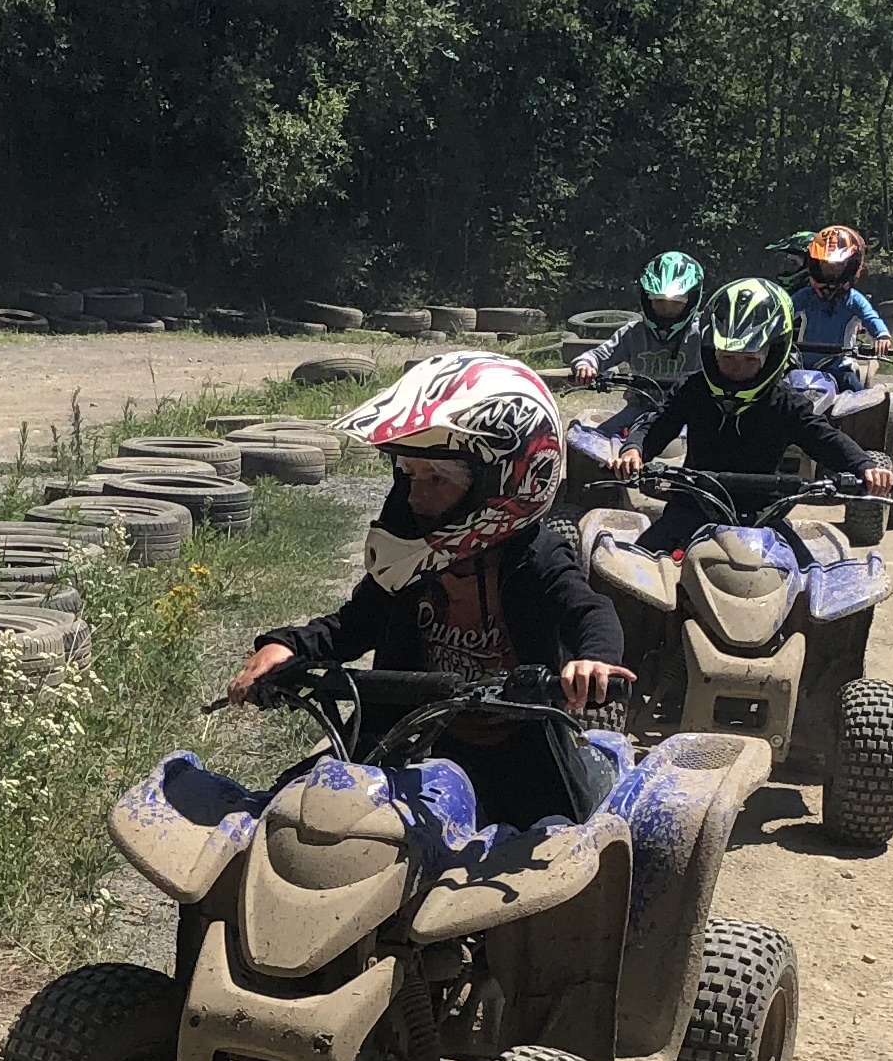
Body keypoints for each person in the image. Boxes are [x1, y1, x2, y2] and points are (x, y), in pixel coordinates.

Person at [232, 352, 632, 832]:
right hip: (408, 740)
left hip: (520, 757)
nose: (415, 495)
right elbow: (355, 623)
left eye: (437, 478)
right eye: (409, 475)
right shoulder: (411, 567)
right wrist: (290, 645)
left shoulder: (536, 557)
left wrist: (592, 659)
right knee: (281, 821)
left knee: (557, 861)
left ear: (506, 484)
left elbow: (588, 609)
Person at [629, 276, 889, 543]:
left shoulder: (786, 403)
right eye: (727, 356)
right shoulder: (694, 390)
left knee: (813, 574)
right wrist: (635, 450)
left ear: (773, 355)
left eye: (749, 359)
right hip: (691, 508)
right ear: (710, 350)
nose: (736, 367)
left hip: (764, 515)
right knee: (635, 565)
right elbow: (659, 422)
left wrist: (863, 465)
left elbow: (824, 438)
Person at [567, 250, 705, 406]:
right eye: (659, 302)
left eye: (675, 304)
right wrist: (585, 365)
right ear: (647, 299)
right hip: (638, 410)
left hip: (687, 414)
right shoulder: (634, 333)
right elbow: (598, 355)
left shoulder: (703, 334)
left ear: (692, 300)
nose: (666, 310)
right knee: (586, 431)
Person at [785, 224, 889, 407]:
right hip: (802, 367)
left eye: (837, 267)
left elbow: (871, 317)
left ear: (851, 266)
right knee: (778, 392)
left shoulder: (854, 299)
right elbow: (785, 312)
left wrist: (882, 336)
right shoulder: (806, 296)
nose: (831, 273)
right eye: (826, 266)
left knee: (864, 404)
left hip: (838, 367)